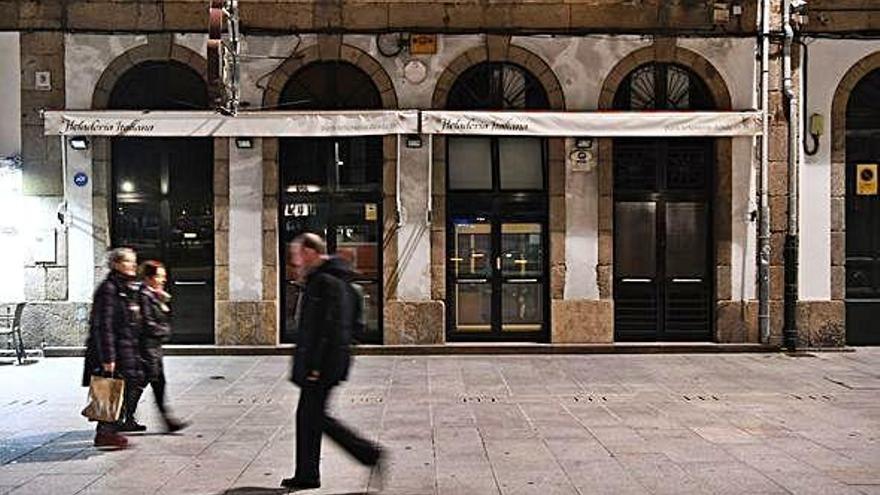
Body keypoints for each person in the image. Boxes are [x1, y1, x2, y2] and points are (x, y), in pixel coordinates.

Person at [282, 233, 385, 491]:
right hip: (325, 361)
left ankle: (368, 453)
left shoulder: (326, 281)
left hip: (322, 365)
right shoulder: (328, 278)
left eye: (297, 255)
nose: (296, 262)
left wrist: (315, 366)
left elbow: (328, 328)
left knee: (314, 416)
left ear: (309, 252)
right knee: (309, 417)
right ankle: (307, 473)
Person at [82, 247, 145, 449]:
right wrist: (108, 358)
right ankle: (105, 432)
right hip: (114, 351)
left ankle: (111, 429)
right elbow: (104, 325)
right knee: (110, 389)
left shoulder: (124, 286)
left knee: (123, 386)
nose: (133, 265)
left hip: (125, 348)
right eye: (128, 261)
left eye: (134, 261)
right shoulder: (109, 288)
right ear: (116, 264)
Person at [135, 260, 189, 433]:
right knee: (144, 385)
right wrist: (163, 330)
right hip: (147, 348)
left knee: (152, 384)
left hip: (153, 348)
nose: (163, 279)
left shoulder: (152, 294)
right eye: (160, 276)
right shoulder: (144, 296)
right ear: (149, 278)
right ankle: (117, 420)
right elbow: (147, 324)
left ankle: (126, 417)